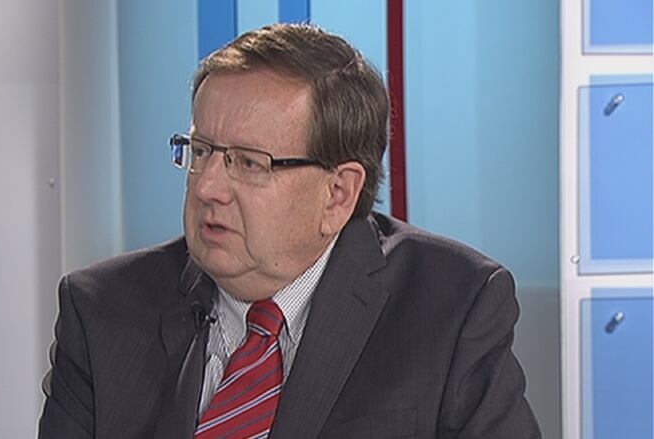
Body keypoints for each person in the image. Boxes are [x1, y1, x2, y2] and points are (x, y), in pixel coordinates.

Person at [38, 23, 541, 439]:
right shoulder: (102, 310)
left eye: (249, 163)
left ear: (338, 194)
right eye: (201, 152)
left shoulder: (451, 307)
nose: (209, 186)